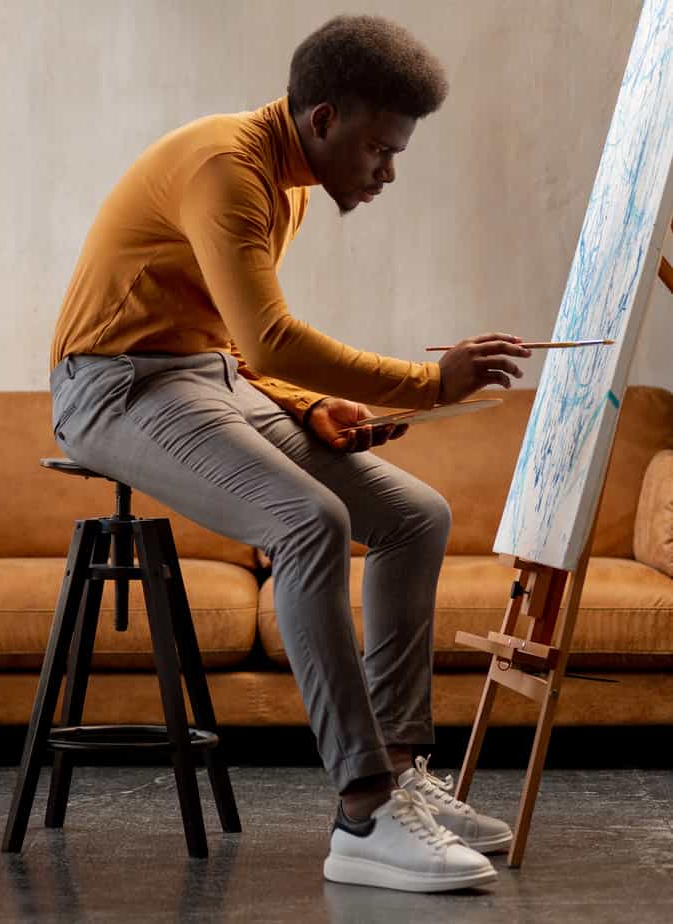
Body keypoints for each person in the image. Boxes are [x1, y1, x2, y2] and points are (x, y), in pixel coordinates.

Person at [48, 14, 531, 893]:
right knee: (311, 523)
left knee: (415, 516)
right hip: (113, 387)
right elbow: (268, 338)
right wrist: (429, 381)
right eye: (380, 151)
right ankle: (364, 812)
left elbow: (233, 350)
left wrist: (316, 406)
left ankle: (402, 767)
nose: (387, 174)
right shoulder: (227, 171)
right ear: (323, 120)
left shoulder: (293, 179)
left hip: (205, 378)